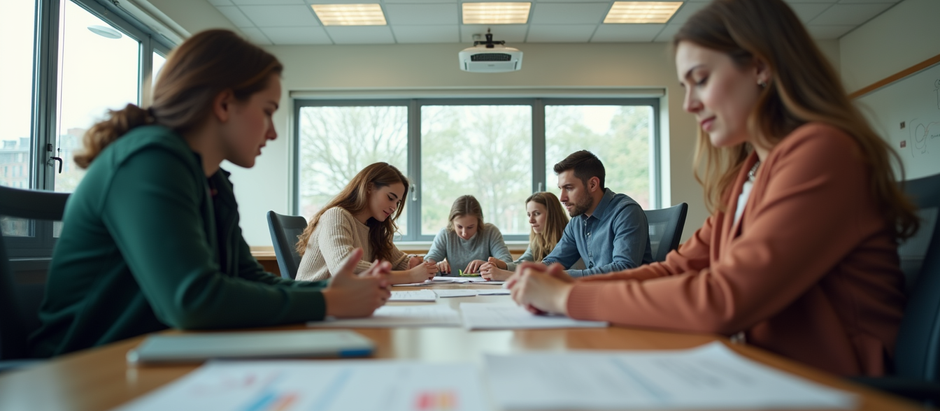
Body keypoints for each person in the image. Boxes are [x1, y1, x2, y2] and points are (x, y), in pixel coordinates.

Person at [506, 0, 919, 377]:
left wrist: (566, 299)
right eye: (684, 86)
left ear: (760, 66)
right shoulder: (751, 173)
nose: (688, 104)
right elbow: (677, 268)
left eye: (700, 80)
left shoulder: (822, 153)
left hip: (836, 382)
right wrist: (565, 287)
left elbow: (724, 299)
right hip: (764, 367)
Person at [29, 30, 391, 358]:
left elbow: (248, 278)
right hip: (83, 370)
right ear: (223, 104)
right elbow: (193, 299)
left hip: (158, 355)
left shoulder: (214, 180)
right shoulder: (149, 160)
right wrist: (328, 301)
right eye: (267, 112)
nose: (273, 133)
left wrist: (330, 291)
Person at [294, 162, 438, 283]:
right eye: (390, 197)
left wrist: (414, 262)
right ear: (369, 187)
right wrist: (410, 276)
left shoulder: (372, 226)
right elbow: (343, 268)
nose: (394, 207)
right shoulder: (336, 215)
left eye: (398, 202)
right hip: (312, 304)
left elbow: (399, 261)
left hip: (341, 302)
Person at [537, 150, 653, 277]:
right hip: (597, 292)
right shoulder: (577, 221)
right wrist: (532, 273)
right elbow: (553, 262)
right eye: (561, 189)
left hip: (627, 294)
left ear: (592, 184)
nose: (562, 198)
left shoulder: (626, 212)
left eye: (569, 188)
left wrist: (561, 276)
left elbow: (623, 269)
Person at [479, 192, 568, 281]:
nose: (531, 220)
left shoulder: (568, 238)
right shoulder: (537, 241)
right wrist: (502, 265)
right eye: (529, 215)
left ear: (552, 215)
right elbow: (523, 262)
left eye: (536, 213)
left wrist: (504, 274)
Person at [425, 195, 513, 275]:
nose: (464, 233)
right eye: (459, 227)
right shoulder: (445, 234)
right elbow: (429, 261)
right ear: (452, 222)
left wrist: (489, 265)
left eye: (470, 227)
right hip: (451, 288)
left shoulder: (490, 232)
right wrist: (437, 266)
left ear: (479, 222)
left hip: (484, 288)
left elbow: (508, 263)